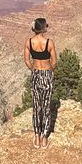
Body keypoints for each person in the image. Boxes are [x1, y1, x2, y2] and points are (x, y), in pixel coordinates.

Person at [23, 16, 57, 148]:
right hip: (47, 74)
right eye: (46, 26)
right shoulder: (49, 43)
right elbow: (54, 61)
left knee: (37, 107)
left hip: (36, 74)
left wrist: (34, 70)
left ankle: (36, 137)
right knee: (46, 107)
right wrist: (50, 71)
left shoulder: (29, 42)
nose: (47, 27)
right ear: (43, 28)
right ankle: (44, 138)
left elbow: (27, 61)